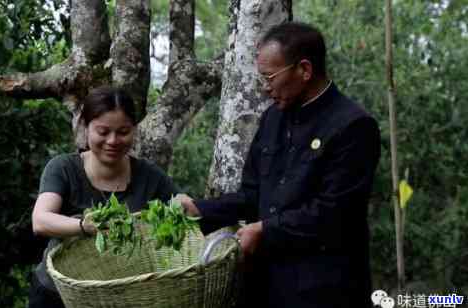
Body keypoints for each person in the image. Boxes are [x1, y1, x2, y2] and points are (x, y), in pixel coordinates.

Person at [176, 22, 380, 308]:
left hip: (325, 287)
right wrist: (200, 210)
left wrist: (265, 231)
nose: (265, 88)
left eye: (270, 77)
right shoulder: (273, 118)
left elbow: (334, 213)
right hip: (268, 284)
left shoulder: (353, 126)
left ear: (304, 70)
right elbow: (252, 195)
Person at [28, 86, 179, 308]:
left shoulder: (150, 176)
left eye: (123, 132)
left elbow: (184, 211)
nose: (113, 141)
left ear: (134, 130)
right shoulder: (64, 168)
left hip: (116, 297)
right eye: (103, 131)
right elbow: (41, 221)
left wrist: (184, 206)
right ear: (85, 127)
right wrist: (84, 226)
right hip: (57, 295)